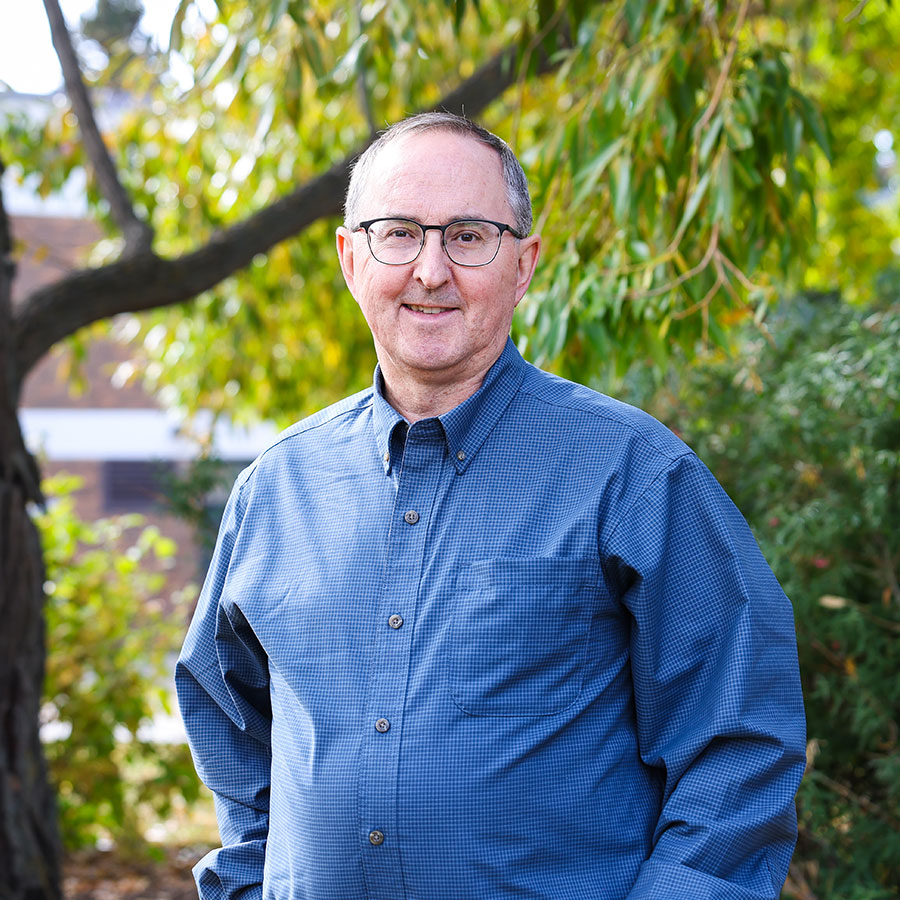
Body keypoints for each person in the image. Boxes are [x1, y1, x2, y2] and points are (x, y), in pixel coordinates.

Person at [175, 112, 806, 900]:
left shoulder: (633, 475)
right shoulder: (277, 488)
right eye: (398, 233)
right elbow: (227, 721)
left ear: (525, 263)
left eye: (468, 236)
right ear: (350, 257)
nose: (431, 270)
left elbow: (739, 741)